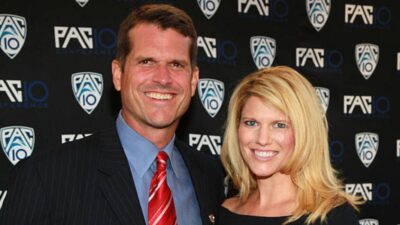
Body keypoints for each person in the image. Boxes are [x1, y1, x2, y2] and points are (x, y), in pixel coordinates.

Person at [0, 4, 225, 225]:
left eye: (176, 64)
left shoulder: (211, 177)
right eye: (147, 62)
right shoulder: (46, 176)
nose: (163, 78)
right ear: (118, 74)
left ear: (193, 80)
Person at [217, 66, 362, 225]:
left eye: (279, 125)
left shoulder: (332, 216)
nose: (262, 139)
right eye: (251, 123)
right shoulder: (223, 211)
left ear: (304, 132)